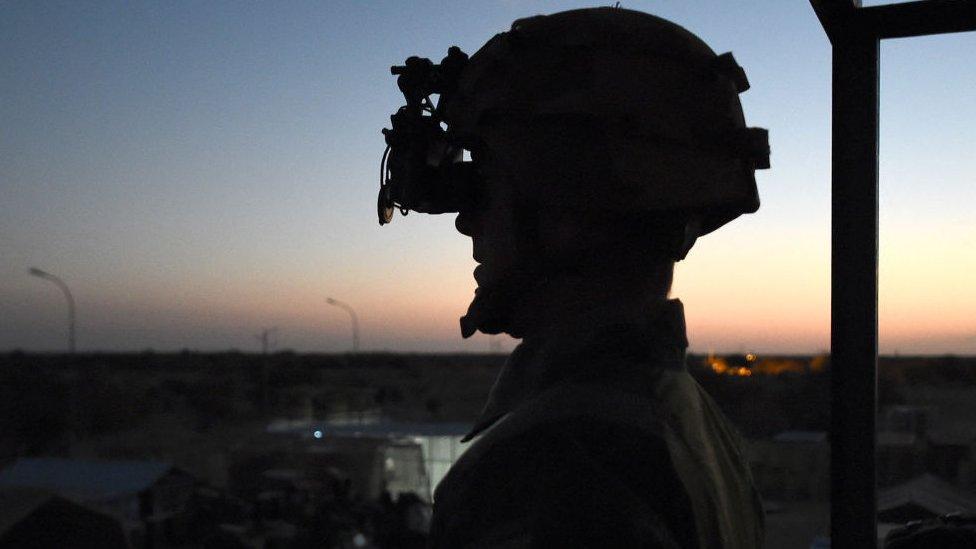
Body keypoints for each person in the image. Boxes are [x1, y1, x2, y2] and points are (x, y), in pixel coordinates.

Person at [382, 6, 770, 547]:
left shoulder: (549, 461)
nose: (468, 220)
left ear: (573, 206)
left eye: (487, 188)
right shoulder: (690, 416)